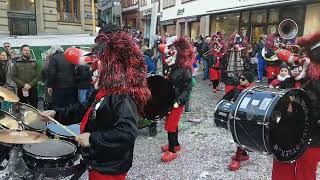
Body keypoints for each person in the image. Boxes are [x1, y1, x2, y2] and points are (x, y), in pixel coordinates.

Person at [41, 25, 151, 180]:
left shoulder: (122, 95)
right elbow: (82, 109)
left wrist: (92, 139)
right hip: (98, 159)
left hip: (110, 167)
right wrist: (56, 113)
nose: (91, 71)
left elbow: (127, 133)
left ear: (113, 65)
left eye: (96, 64)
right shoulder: (103, 88)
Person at [271, 31, 320, 180]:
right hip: (286, 135)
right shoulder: (291, 79)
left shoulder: (315, 80)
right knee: (283, 170)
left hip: (311, 137)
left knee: (305, 171)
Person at [158, 37, 193, 162]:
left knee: (170, 125)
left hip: (177, 101)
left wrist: (179, 101)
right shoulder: (173, 66)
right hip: (170, 100)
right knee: (172, 124)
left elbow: (188, 87)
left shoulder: (185, 68)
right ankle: (175, 144)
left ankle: (172, 150)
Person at [222, 71, 255, 171]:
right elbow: (226, 98)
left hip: (247, 117)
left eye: (243, 79)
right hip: (237, 115)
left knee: (241, 136)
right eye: (240, 78)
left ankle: (238, 159)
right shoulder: (237, 88)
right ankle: (244, 154)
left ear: (249, 81)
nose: (240, 80)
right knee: (237, 134)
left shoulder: (253, 90)